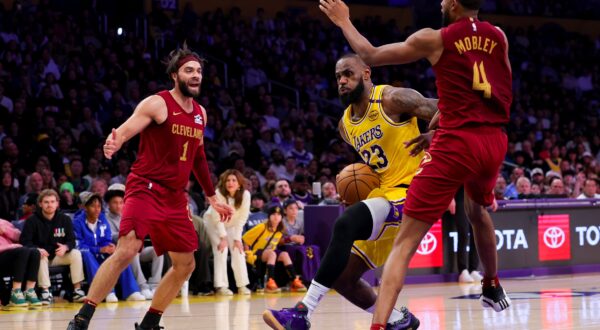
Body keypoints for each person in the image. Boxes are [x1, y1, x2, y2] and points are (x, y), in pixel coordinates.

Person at [319, 0, 513, 328]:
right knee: (478, 212)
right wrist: (437, 128)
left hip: (457, 143)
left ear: (452, 5)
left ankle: (380, 325)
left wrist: (344, 21)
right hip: (494, 140)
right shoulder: (499, 36)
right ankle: (491, 284)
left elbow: (370, 54)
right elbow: (477, 95)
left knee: (405, 241)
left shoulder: (436, 38)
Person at [263, 53, 438, 329]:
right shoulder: (345, 126)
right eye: (338, 77)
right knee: (343, 278)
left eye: (348, 73)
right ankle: (398, 320)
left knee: (346, 222)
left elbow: (448, 109)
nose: (342, 81)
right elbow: (372, 170)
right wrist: (355, 188)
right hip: (385, 193)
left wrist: (434, 134)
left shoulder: (392, 98)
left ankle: (302, 313)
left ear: (366, 73)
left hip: (415, 189)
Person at [67, 44, 233, 330]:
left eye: (199, 71)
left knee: (186, 264)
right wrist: (115, 141)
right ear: (175, 75)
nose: (196, 76)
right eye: (189, 71)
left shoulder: (200, 114)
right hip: (146, 187)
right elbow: (128, 128)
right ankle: (82, 318)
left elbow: (199, 157)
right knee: (127, 248)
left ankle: (149, 322)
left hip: (174, 196)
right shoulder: (157, 103)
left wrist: (211, 196)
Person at [73, 192, 145, 302]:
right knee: (87, 254)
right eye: (93, 206)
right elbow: (79, 245)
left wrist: (110, 247)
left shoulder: (102, 219)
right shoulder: (77, 222)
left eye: (99, 206)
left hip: (101, 252)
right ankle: (107, 292)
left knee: (119, 253)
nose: (97, 209)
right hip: (86, 254)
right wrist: (99, 249)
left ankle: (131, 291)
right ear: (85, 207)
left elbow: (107, 238)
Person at [20, 189, 87, 305]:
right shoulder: (31, 220)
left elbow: (72, 241)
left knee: (76, 253)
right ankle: (45, 292)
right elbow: (25, 242)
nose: (49, 205)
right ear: (40, 204)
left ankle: (77, 290)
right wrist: (37, 249)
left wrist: (66, 247)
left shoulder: (65, 219)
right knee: (39, 256)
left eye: (52, 202)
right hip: (41, 257)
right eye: (46, 202)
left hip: (58, 256)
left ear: (57, 203)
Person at [104, 184, 163, 300]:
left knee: (158, 250)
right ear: (109, 204)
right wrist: (129, 235)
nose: (118, 206)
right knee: (133, 252)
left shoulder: (129, 215)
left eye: (121, 202)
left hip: (139, 248)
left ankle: (155, 285)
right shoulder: (105, 218)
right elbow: (111, 236)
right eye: (115, 203)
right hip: (122, 250)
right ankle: (142, 286)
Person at [204, 169, 252, 295]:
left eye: (233, 180)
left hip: (232, 225)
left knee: (238, 250)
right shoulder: (218, 193)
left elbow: (242, 218)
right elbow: (216, 218)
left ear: (239, 184)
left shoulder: (246, 195)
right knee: (222, 249)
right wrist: (223, 237)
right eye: (227, 180)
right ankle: (221, 286)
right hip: (214, 224)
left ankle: (242, 285)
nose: (230, 183)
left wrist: (237, 238)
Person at [243, 204, 307, 294]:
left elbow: (278, 241)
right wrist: (247, 253)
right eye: (273, 214)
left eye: (279, 215)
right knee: (272, 253)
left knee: (285, 254)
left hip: (270, 252)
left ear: (281, 217)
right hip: (256, 252)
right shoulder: (262, 227)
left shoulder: (280, 229)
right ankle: (270, 282)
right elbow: (245, 239)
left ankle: (294, 281)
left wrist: (291, 238)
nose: (276, 217)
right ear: (269, 216)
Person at [0, 218, 42, 307]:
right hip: (3, 253)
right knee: (23, 251)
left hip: (13, 252)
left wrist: (5, 230)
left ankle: (29, 291)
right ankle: (15, 292)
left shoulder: (2, 222)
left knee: (35, 252)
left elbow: (19, 236)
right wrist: (12, 246)